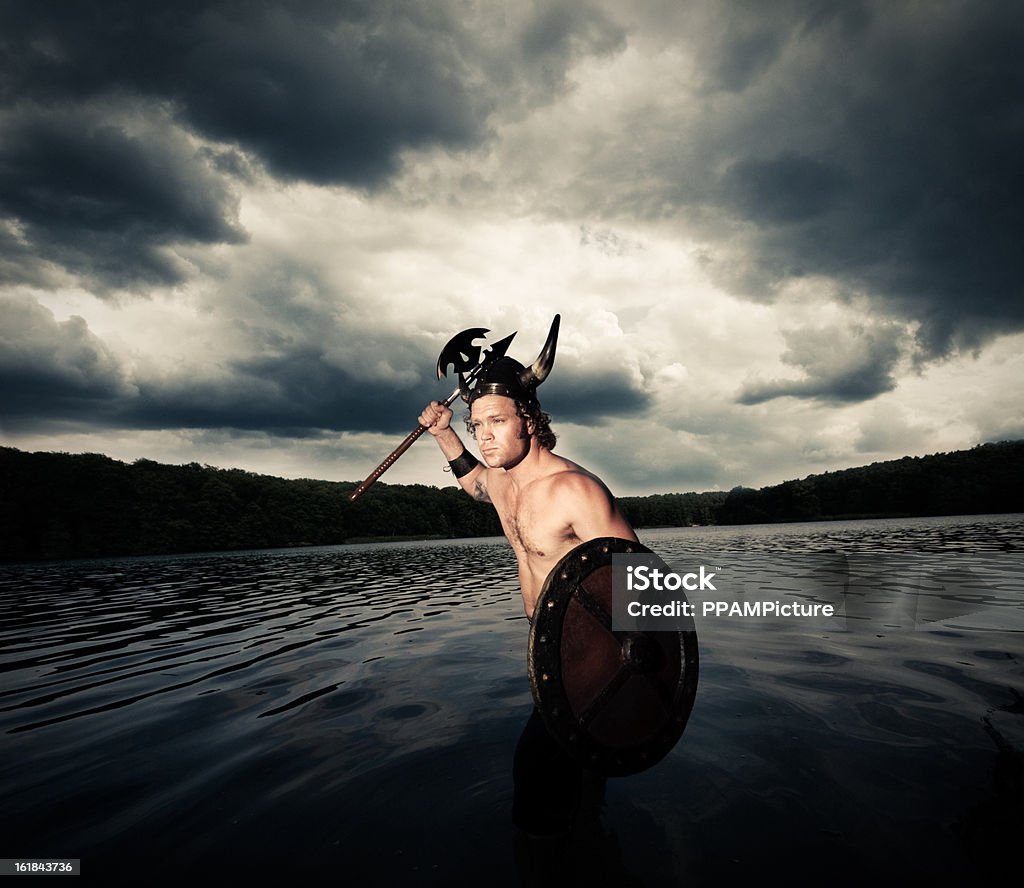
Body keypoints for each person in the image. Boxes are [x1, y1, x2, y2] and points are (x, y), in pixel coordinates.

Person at [417, 319, 638, 879]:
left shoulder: (573, 490)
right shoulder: (502, 482)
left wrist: (623, 669)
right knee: (581, 787)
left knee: (535, 779)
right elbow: (473, 483)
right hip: (545, 649)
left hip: (593, 656)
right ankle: (595, 852)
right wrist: (446, 435)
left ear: (530, 420)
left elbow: (641, 580)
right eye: (477, 423)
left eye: (496, 421)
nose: (484, 435)